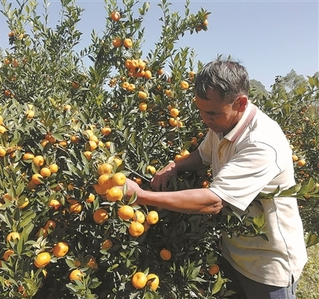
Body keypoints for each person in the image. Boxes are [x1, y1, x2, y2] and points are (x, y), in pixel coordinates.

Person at [124, 59, 307, 299]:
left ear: (240, 103)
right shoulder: (222, 123)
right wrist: (174, 166)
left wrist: (141, 196)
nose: (204, 119)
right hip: (233, 252)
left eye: (211, 113)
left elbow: (214, 201)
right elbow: (203, 155)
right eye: (200, 110)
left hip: (268, 265)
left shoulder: (262, 143)